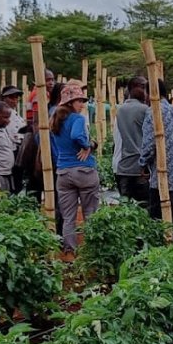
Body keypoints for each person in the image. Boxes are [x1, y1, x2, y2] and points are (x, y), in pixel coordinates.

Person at [49, 80, 101, 252]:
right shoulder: (77, 118)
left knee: (68, 217)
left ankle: (69, 250)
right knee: (90, 213)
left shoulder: (55, 120)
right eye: (79, 101)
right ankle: (92, 250)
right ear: (70, 103)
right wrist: (87, 145)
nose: (82, 105)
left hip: (63, 173)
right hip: (83, 170)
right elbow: (77, 135)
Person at [140, 78, 173, 225]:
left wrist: (143, 164)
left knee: (158, 218)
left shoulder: (153, 112)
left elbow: (148, 144)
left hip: (161, 174)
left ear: (150, 93)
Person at [115, 76, 151, 207]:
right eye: (143, 87)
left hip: (123, 168)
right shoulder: (145, 110)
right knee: (147, 207)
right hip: (141, 169)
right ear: (133, 88)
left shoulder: (120, 110)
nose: (146, 91)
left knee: (125, 209)